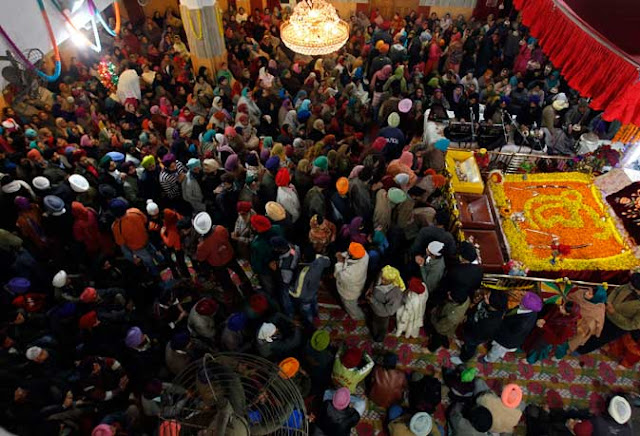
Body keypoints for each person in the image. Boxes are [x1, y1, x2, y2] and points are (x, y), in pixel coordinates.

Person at [578, 273, 640, 354]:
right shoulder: (630, 286)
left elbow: (632, 325)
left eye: (634, 287)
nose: (630, 287)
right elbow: (617, 290)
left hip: (616, 327)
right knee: (590, 330)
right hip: (605, 314)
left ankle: (580, 351)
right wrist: (608, 302)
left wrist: (613, 313)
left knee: (598, 340)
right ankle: (575, 344)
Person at [484, 291, 543, 362]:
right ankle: (500, 354)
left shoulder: (523, 323)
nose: (519, 298)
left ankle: (488, 359)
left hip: (506, 341)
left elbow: (510, 332)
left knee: (495, 351)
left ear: (525, 306)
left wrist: (498, 322)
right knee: (499, 350)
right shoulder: (531, 310)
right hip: (508, 336)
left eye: (522, 299)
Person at [454, 289, 508, 364]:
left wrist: (468, 337)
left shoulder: (491, 324)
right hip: (469, 327)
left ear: (492, 304)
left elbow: (481, 335)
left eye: (487, 297)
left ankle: (463, 358)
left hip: (473, 337)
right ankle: (464, 344)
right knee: (466, 343)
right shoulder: (488, 304)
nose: (485, 295)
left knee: (470, 348)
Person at [367, 265, 405, 342]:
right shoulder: (383, 276)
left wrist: (373, 301)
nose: (380, 279)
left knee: (380, 327)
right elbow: (375, 282)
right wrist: (370, 288)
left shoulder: (395, 294)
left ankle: (379, 339)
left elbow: (389, 311)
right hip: (374, 308)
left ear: (390, 280)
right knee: (373, 322)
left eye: (383, 278)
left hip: (382, 314)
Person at [334, 242, 369, 320]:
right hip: (358, 286)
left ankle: (358, 317)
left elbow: (338, 275)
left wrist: (339, 262)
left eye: (349, 250)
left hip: (349, 293)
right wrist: (342, 255)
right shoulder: (364, 254)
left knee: (351, 307)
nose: (347, 250)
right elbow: (349, 256)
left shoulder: (352, 273)